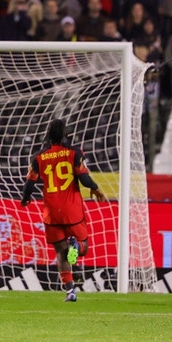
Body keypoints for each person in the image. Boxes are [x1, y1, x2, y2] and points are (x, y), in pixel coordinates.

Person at [20, 119, 107, 302]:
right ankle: (77, 246)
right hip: (72, 211)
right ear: (65, 135)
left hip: (51, 213)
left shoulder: (38, 157)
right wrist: (95, 187)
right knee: (83, 249)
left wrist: (26, 198)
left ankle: (70, 290)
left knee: (60, 252)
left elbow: (29, 184)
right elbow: (83, 178)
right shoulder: (74, 153)